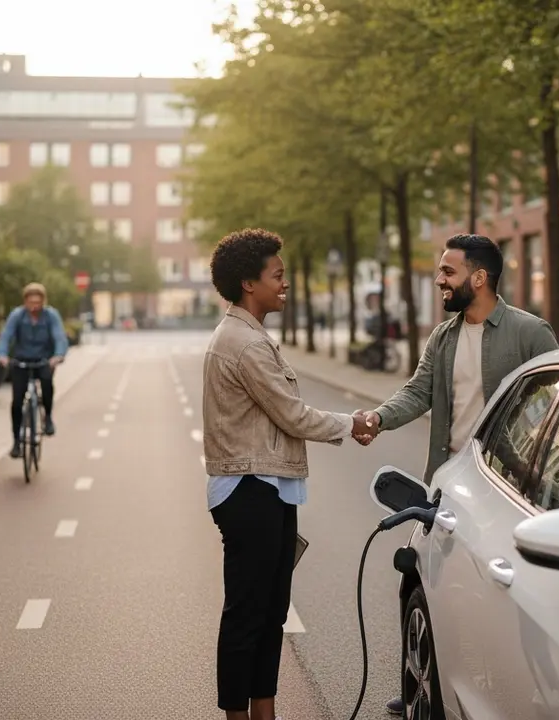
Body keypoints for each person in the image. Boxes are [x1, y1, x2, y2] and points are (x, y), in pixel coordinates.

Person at [352, 233, 559, 716]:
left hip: (508, 489)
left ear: (479, 278)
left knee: (503, 594)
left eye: (448, 272)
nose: (440, 280)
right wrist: (378, 419)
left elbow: (552, 410)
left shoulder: (530, 332)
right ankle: (418, 682)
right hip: (447, 485)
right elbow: (417, 391)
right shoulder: (443, 338)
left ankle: (522, 690)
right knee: (423, 579)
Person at [202, 228, 374, 720]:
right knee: (247, 617)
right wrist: (352, 423)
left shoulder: (251, 336)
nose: (286, 283)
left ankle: (265, 711)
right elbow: (293, 415)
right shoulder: (244, 344)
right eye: (277, 275)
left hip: (268, 488)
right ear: (247, 283)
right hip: (249, 490)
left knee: (271, 614)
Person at [0, 282, 68, 459]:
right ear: (25, 302)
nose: (34, 306)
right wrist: (2, 355)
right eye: (31, 302)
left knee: (47, 383)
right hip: (21, 361)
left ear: (43, 301)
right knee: (17, 402)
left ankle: (48, 417)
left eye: (38, 302)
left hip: (44, 360)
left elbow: (60, 337)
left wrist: (58, 355)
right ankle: (16, 442)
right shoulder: (17, 315)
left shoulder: (51, 316)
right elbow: (6, 336)